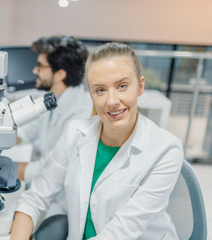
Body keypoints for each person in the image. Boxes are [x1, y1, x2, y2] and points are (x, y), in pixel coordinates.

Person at [11, 42, 184, 240]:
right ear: (91, 95)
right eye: (100, 90)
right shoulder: (76, 132)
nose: (112, 101)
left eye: (122, 86)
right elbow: (34, 198)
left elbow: (120, 233)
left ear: (140, 86)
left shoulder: (166, 150)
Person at [16, 35, 91, 237]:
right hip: (44, 189)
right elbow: (25, 131)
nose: (35, 71)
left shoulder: (81, 113)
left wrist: (5, 168)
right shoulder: (49, 98)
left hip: (62, 201)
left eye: (40, 66)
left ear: (60, 74)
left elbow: (50, 168)